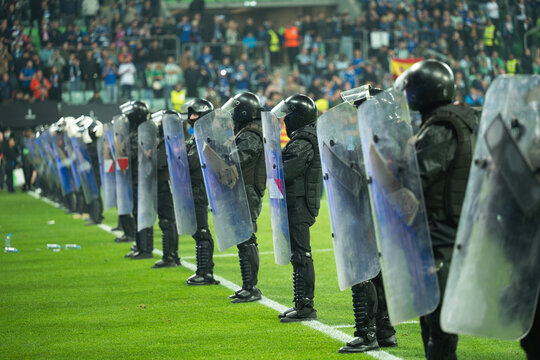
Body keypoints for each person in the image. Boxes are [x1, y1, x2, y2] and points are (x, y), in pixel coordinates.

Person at [396, 59, 477, 360]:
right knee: (432, 318)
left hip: (439, 235)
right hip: (445, 231)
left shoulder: (441, 128)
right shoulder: (456, 120)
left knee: (439, 326)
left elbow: (414, 180)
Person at [336, 87, 397, 353]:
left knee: (363, 271)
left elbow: (360, 179)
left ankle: (366, 332)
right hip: (381, 215)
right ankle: (385, 331)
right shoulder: (387, 137)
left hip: (367, 213)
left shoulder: (374, 139)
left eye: (362, 109)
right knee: (378, 273)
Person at [273, 94, 321, 322]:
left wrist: (273, 159)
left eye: (288, 116)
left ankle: (306, 306)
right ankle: (301, 303)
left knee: (302, 254)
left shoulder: (303, 141)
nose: (285, 121)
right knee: (298, 254)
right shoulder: (305, 137)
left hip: (300, 203)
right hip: (296, 201)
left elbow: (286, 170)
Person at [222, 92, 266, 303]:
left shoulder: (250, 134)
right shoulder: (248, 131)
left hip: (248, 190)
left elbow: (242, 157)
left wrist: (223, 153)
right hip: (244, 189)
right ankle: (248, 285)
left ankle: (251, 287)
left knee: (246, 238)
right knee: (243, 237)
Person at [184, 99, 220, 285]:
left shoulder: (207, 137)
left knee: (202, 230)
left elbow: (190, 162)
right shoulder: (197, 136)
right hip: (194, 188)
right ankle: (202, 270)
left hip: (201, 188)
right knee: (198, 231)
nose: (191, 117)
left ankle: (206, 272)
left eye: (195, 114)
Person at [120, 100, 154, 260]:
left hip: (141, 179)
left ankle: (146, 248)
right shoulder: (136, 132)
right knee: (137, 211)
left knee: (143, 212)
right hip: (135, 178)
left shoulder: (142, 133)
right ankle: (140, 246)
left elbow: (128, 154)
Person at [150, 110, 181, 268]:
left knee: (167, 221)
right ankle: (171, 255)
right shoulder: (170, 139)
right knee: (168, 221)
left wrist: (150, 156)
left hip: (165, 186)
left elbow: (158, 163)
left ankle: (170, 256)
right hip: (165, 185)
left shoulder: (169, 141)